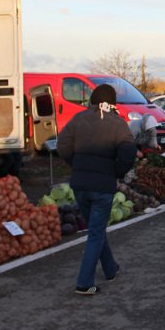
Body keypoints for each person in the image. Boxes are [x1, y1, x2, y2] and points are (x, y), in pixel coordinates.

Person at [57, 84, 136, 295]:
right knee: (95, 232)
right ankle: (84, 283)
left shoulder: (78, 119)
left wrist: (75, 163)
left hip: (80, 184)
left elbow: (62, 145)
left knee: (96, 229)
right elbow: (129, 151)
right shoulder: (117, 124)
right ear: (111, 103)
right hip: (102, 186)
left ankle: (110, 269)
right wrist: (117, 171)